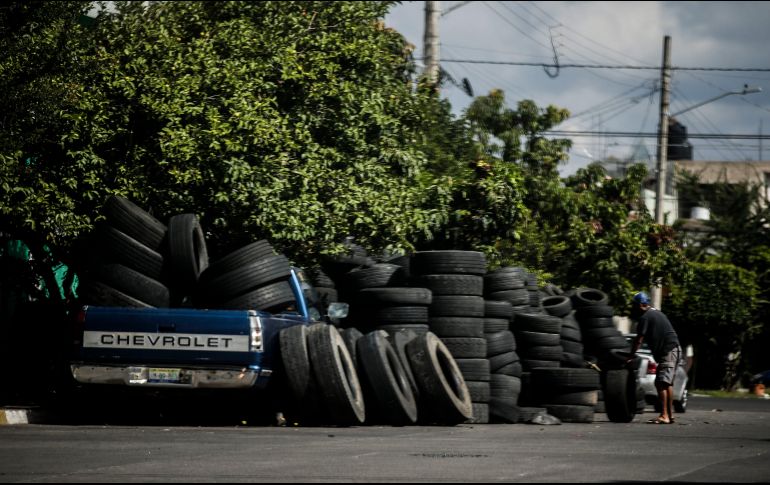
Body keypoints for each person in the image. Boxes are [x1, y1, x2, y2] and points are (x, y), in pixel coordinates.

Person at [628, 291, 683, 424]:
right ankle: (669, 415)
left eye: (634, 305)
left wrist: (630, 355)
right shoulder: (656, 312)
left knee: (661, 382)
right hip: (673, 349)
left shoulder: (645, 317)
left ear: (641, 305)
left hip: (668, 350)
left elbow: (639, 339)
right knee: (666, 382)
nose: (633, 308)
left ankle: (664, 415)